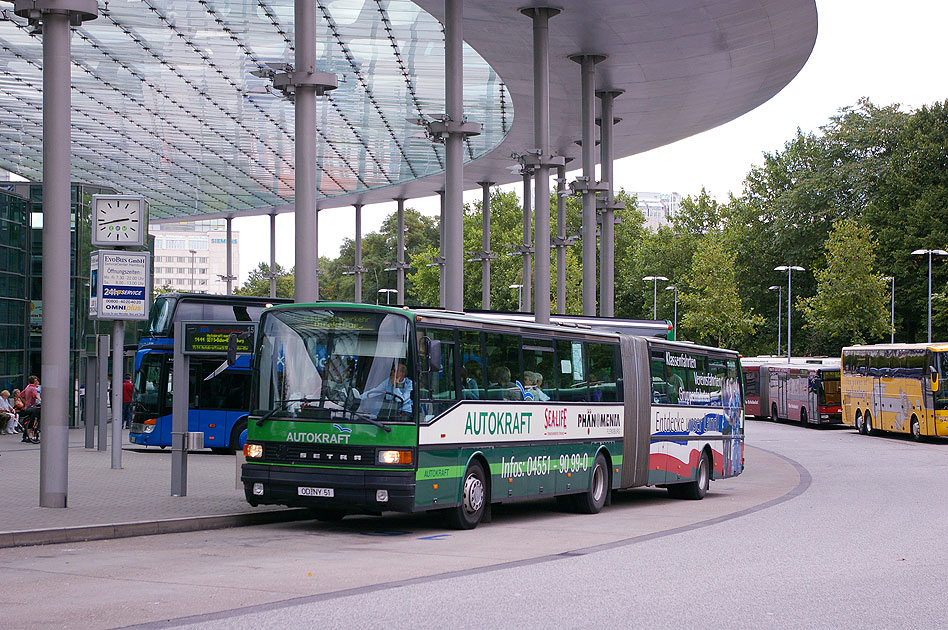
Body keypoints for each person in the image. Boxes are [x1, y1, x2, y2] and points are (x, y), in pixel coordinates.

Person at [20, 375, 40, 443]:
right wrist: (41, 400)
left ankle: (25, 436)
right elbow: (36, 395)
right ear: (35, 381)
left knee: (30, 420)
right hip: (33, 407)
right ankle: (34, 436)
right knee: (35, 420)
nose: (38, 381)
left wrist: (25, 402)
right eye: (37, 380)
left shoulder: (28, 387)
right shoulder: (33, 388)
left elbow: (21, 395)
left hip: (27, 407)